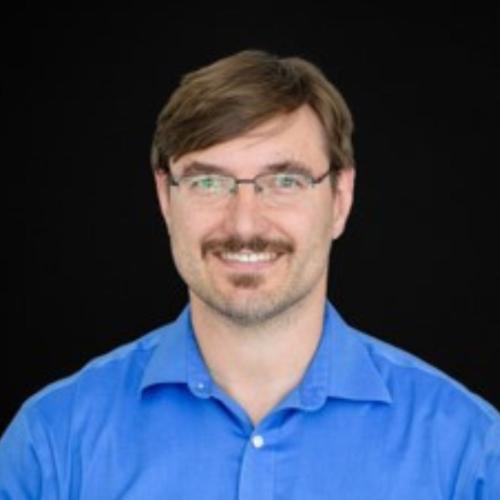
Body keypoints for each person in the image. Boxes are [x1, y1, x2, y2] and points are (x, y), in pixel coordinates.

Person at [1, 50, 499, 499]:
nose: (244, 225)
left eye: (284, 181)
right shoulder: (50, 444)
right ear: (165, 198)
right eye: (208, 182)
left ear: (340, 199)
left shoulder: (469, 452)